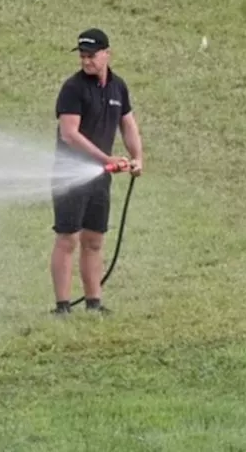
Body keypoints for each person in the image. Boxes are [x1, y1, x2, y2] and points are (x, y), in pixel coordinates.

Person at [50, 27, 144, 315]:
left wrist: (137, 157)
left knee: (94, 239)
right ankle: (63, 306)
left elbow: (127, 124)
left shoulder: (118, 88)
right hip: (71, 174)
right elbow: (70, 134)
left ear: (107, 54)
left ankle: (94, 303)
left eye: (91, 55)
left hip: (99, 177)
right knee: (68, 238)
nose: (86, 60)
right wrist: (106, 158)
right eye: (82, 55)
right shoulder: (73, 89)